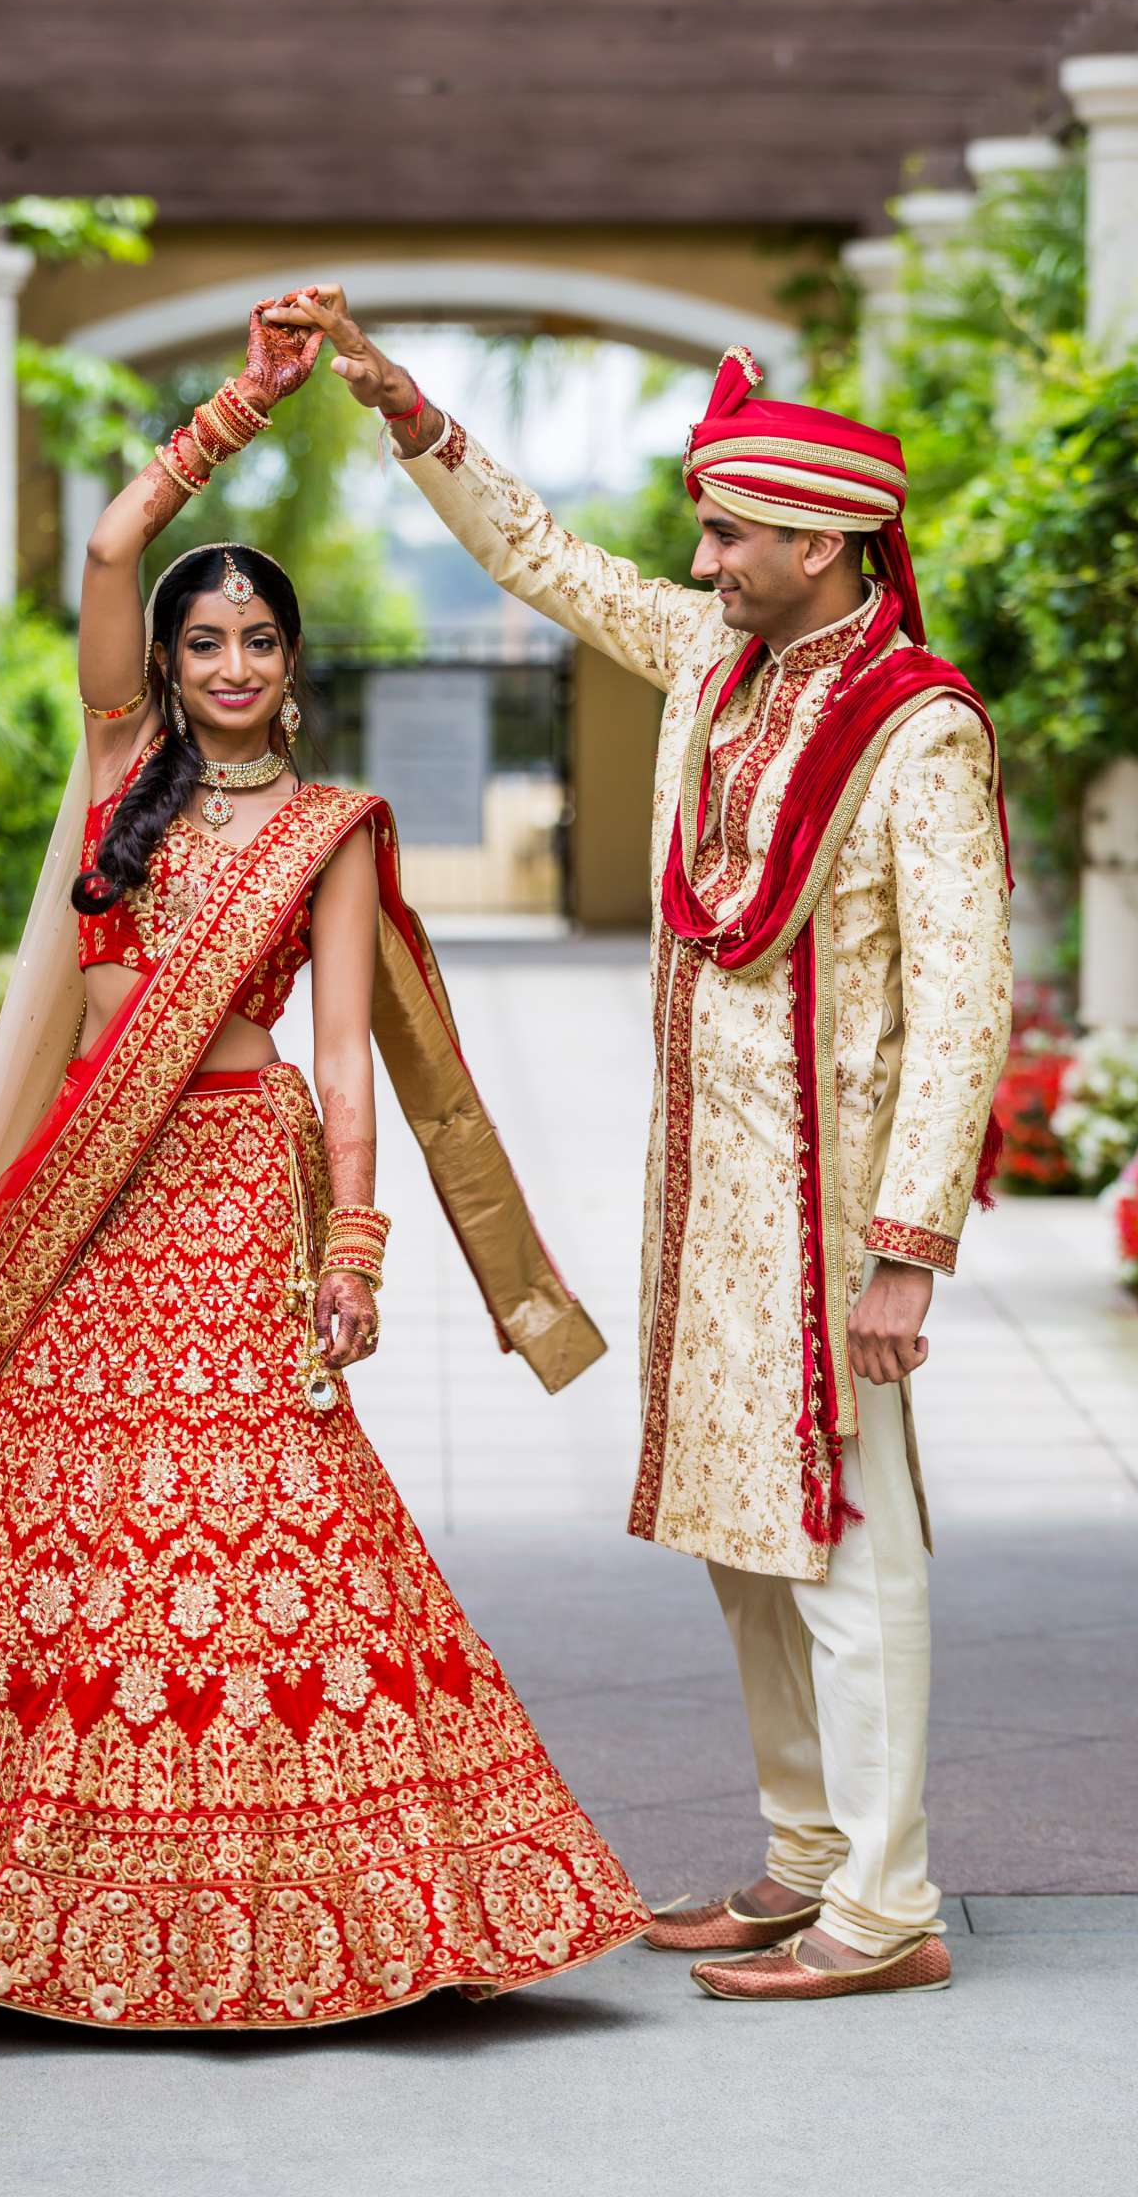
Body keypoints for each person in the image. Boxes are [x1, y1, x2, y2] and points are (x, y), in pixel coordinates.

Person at [0, 301, 649, 2029]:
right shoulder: (120, 773)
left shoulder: (330, 830)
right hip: (92, 1185)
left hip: (239, 1180)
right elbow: (112, 542)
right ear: (166, 667)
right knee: (38, 1496)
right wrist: (241, 405)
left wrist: (351, 1250)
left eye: (260, 638)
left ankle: (344, 1898)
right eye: (208, 640)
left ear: (292, 660)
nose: (235, 664)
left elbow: (343, 1059)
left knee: (261, 1509)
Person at [262, 288, 1013, 2002]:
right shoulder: (716, 663)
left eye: (735, 531)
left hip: (837, 1206)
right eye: (710, 527)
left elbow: (965, 1000)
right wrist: (405, 409)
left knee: (848, 1527)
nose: (708, 553)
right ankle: (807, 1859)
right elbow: (545, 561)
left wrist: (911, 1245)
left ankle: (887, 1909)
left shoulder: (920, 729)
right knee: (748, 1532)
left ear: (826, 546)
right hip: (713, 1193)